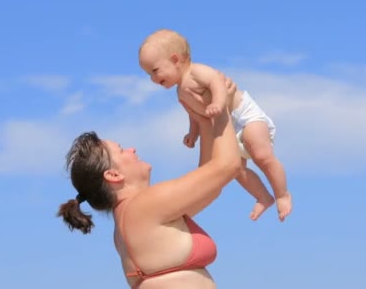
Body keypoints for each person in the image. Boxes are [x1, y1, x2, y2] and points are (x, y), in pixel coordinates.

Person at [57, 96, 242, 289]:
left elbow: (209, 188)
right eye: (122, 151)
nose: (132, 149)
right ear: (113, 174)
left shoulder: (132, 215)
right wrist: (220, 103)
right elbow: (228, 165)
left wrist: (204, 122)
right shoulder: (144, 205)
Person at [138, 28, 292, 221]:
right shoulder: (180, 92)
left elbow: (217, 83)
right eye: (148, 74)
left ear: (175, 60)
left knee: (262, 155)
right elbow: (194, 115)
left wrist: (218, 102)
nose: (153, 79)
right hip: (227, 128)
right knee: (236, 169)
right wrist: (192, 133)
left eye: (154, 70)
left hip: (244, 116)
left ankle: (282, 194)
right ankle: (263, 196)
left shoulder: (196, 72)